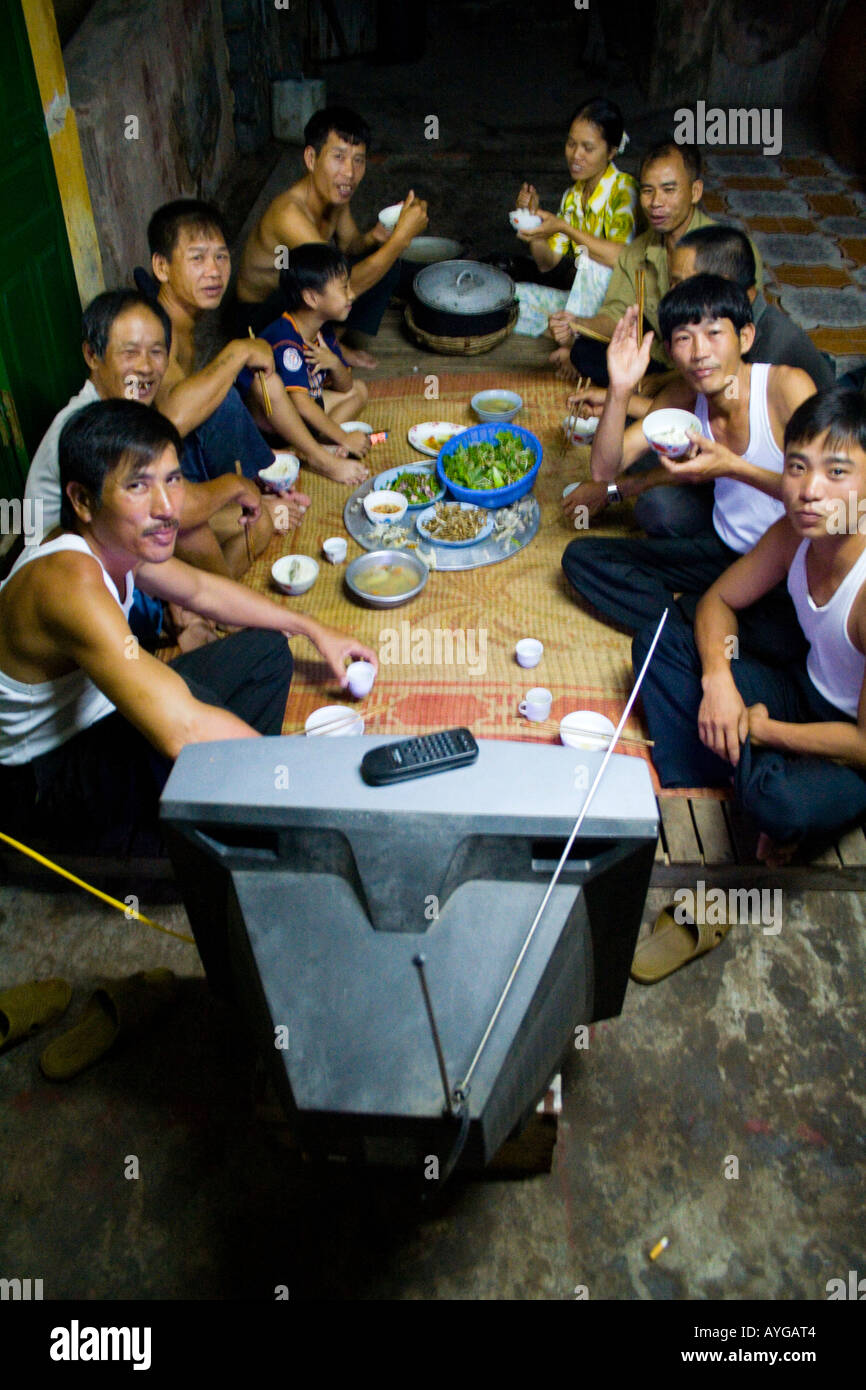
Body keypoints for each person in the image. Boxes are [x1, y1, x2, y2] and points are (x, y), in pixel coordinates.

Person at [0, 400, 377, 856]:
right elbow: (183, 731)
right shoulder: (69, 582)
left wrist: (313, 628)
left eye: (173, 479)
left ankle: (235, 807)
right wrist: (296, 782)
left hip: (98, 713)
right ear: (83, 500)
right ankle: (192, 847)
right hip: (46, 771)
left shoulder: (115, 536)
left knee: (265, 651)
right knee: (197, 722)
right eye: (138, 484)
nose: (166, 507)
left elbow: (201, 590)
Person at [635, 388, 866, 867]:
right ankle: (743, 767)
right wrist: (718, 680)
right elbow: (718, 599)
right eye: (798, 467)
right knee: (660, 643)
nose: (810, 489)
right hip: (800, 691)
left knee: (779, 804)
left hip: (851, 746)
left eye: (836, 472)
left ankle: (754, 774)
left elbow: (863, 744)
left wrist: (764, 730)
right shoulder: (793, 533)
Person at [562, 275, 815, 666]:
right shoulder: (685, 394)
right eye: (683, 338)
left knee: (793, 640)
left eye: (714, 333)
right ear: (669, 350)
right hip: (723, 548)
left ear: (745, 338)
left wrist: (733, 467)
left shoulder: (784, 389)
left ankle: (704, 623)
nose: (699, 352)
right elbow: (604, 468)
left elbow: (830, 501)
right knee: (583, 558)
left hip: (788, 562)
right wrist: (620, 387)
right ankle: (696, 623)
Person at [566, 223, 836, 536]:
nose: (673, 295)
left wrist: (616, 489)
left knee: (658, 502)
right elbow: (608, 466)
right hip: (731, 469)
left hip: (783, 508)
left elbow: (824, 493)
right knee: (647, 443)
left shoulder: (776, 364)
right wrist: (619, 392)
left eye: (682, 283)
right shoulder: (710, 350)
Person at [24, 291, 271, 584]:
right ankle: (215, 608)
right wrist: (236, 486)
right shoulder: (94, 425)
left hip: (117, 537)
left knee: (260, 522)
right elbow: (180, 508)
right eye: (129, 353)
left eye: (156, 352)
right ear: (92, 356)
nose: (145, 367)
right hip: (66, 574)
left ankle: (208, 604)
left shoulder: (123, 410)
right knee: (185, 523)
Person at [145, 199, 366, 488]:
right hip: (153, 476)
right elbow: (173, 419)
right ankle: (317, 458)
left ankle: (282, 454)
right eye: (197, 258)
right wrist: (239, 350)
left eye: (221, 257)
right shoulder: (155, 330)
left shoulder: (182, 323)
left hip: (189, 453)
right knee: (261, 383)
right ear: (162, 267)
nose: (214, 271)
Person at [549, 141, 764, 383]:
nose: (655, 203)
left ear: (695, 191)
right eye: (647, 190)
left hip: (710, 365)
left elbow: (740, 340)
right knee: (585, 352)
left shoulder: (728, 249)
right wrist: (577, 324)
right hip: (663, 359)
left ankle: (651, 398)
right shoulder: (636, 253)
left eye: (669, 190)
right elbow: (616, 316)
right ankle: (648, 395)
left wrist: (661, 384)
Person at [231, 106, 428, 365]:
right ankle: (322, 350)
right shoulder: (288, 213)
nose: (349, 172)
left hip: (302, 296)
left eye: (358, 160)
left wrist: (378, 237)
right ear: (311, 159)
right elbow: (334, 286)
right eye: (338, 157)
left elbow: (350, 245)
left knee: (383, 259)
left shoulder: (335, 196)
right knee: (351, 275)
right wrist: (401, 239)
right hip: (259, 320)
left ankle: (328, 342)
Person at [509, 97, 638, 335]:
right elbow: (547, 264)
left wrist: (564, 228)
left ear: (611, 151)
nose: (576, 155)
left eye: (588, 148)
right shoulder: (572, 196)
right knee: (513, 298)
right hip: (584, 303)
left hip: (618, 311)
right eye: (571, 144)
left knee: (591, 265)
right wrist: (535, 226)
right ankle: (570, 330)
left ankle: (578, 337)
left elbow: (621, 257)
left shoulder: (624, 190)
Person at [239, 244, 371, 462]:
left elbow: (345, 387)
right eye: (344, 288)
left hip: (307, 407)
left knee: (359, 391)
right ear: (311, 298)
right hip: (273, 426)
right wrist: (344, 437)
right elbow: (299, 403)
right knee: (305, 402)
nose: (352, 295)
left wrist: (335, 364)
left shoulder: (323, 329)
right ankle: (312, 450)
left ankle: (314, 444)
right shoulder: (285, 338)